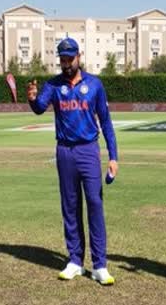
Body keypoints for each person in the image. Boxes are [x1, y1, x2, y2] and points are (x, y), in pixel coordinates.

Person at [26, 37, 119, 285]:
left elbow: (106, 122)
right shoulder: (54, 85)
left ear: (79, 56)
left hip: (89, 150)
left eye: (70, 58)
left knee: (94, 204)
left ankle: (99, 265)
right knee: (70, 206)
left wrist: (113, 157)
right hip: (64, 152)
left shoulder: (95, 85)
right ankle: (75, 261)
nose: (66, 63)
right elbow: (38, 108)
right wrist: (33, 98)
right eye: (62, 59)